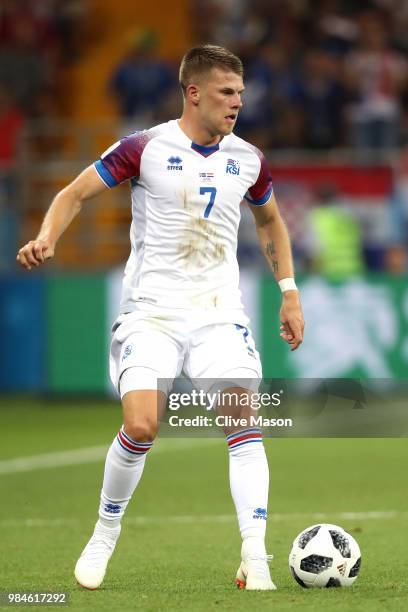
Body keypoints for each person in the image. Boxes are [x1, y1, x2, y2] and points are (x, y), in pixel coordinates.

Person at [17, 44, 304, 591]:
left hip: (220, 313)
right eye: (226, 92)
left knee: (242, 420)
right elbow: (73, 193)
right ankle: (105, 531)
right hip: (151, 314)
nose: (237, 102)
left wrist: (288, 291)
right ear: (193, 93)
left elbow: (270, 222)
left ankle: (256, 556)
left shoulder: (248, 158)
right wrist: (46, 238)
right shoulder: (143, 148)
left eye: (241, 93)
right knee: (142, 424)